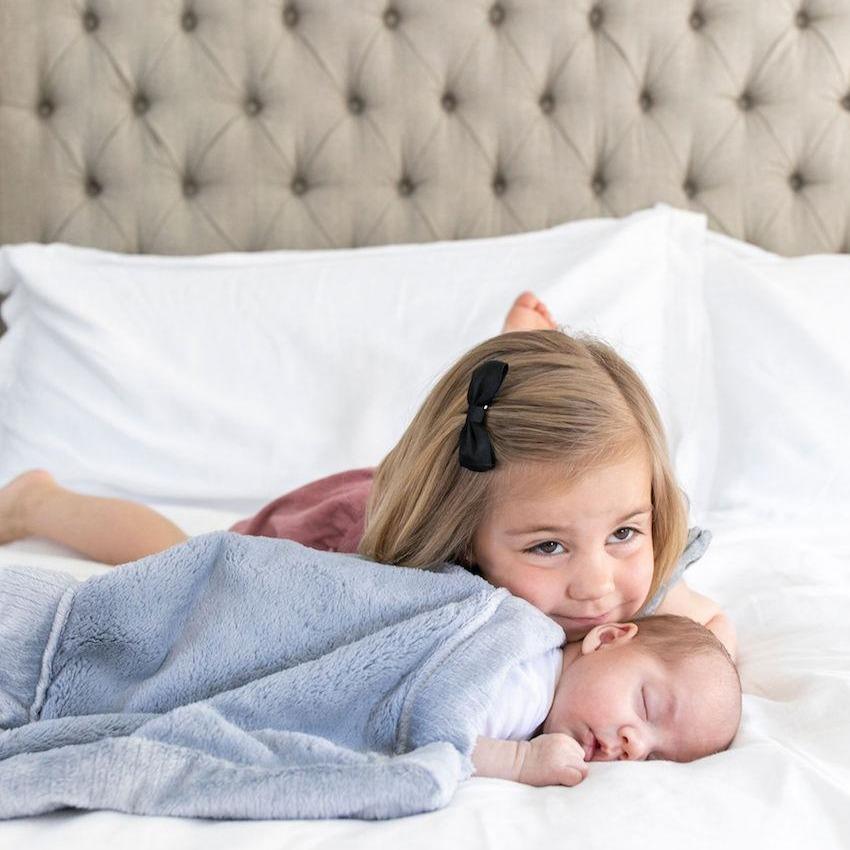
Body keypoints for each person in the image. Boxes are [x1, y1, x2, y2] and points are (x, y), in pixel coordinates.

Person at [0, 292, 737, 657]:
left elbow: (711, 630)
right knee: (171, 562)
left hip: (461, 487)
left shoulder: (629, 572)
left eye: (624, 533)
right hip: (354, 535)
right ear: (472, 549)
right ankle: (40, 499)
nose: (596, 586)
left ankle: (520, 363)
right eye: (547, 547)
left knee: (490, 466)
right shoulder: (382, 590)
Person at [473, 613, 741, 786]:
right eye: (646, 706)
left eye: (652, 757)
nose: (634, 747)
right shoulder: (522, 688)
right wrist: (520, 761)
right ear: (606, 639)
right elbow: (438, 735)